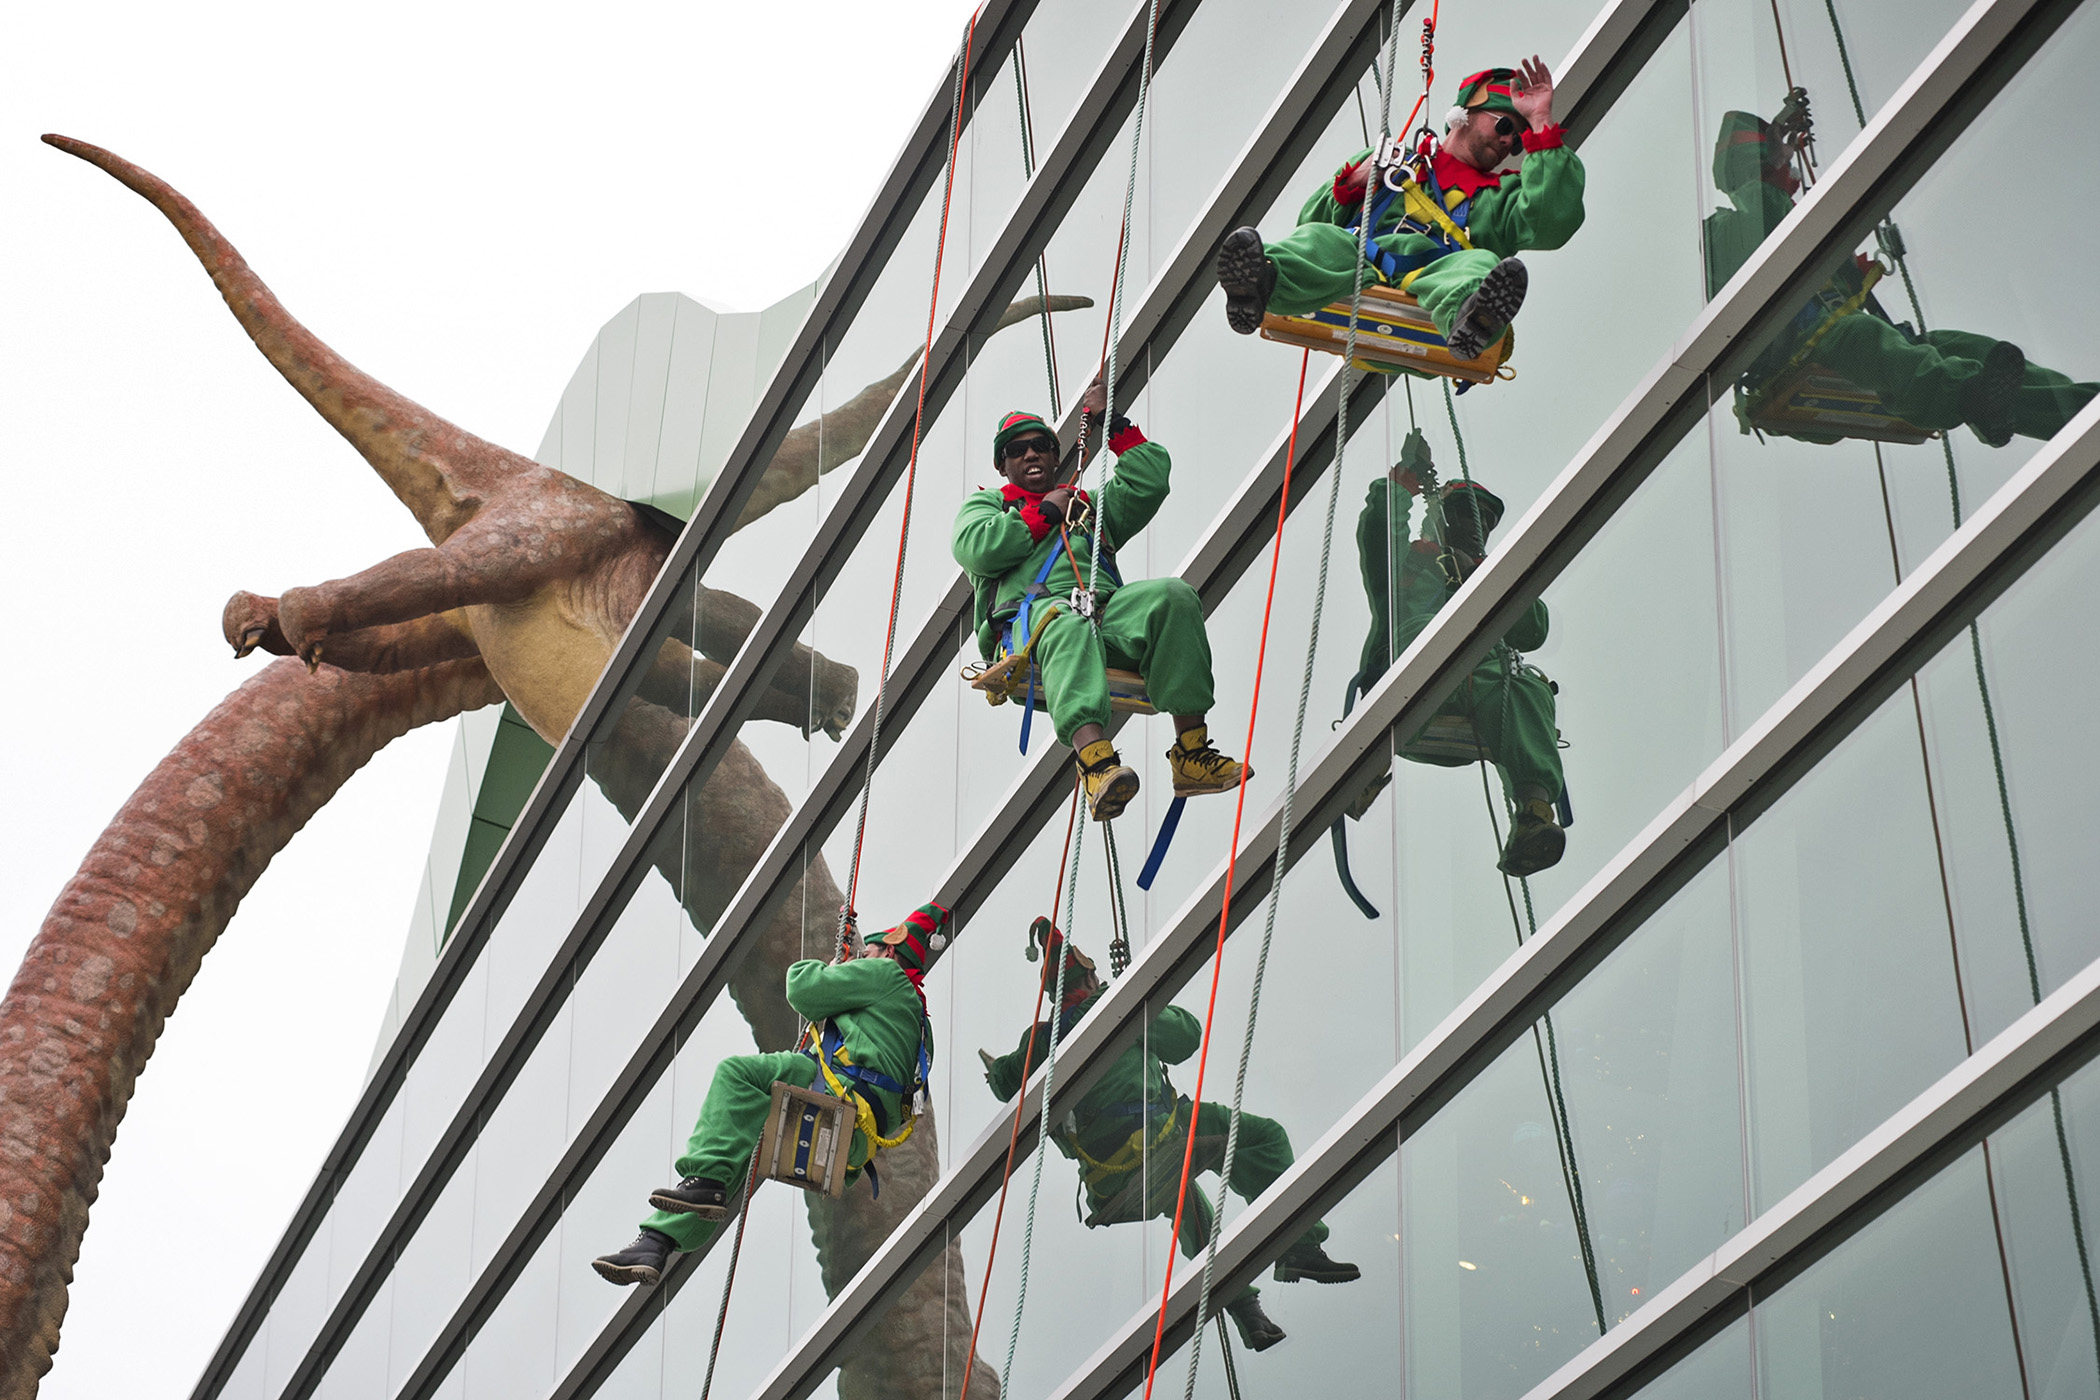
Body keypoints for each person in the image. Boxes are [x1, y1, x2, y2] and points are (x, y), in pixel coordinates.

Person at [979, 920, 1359, 1353]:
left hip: (1108, 1182)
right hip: (1159, 1135)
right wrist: (1137, 997)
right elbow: (1186, 1036)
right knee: (1265, 1138)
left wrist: (996, 1071)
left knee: (1186, 1202)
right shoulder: (1110, 1008)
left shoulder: (1040, 1042)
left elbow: (1004, 1082)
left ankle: (1246, 1312)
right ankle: (1299, 1244)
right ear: (1088, 977)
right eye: (1096, 976)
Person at [591, 902, 950, 1287]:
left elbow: (803, 988)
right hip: (854, 1140)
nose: (864, 958)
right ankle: (657, 1241)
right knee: (736, 1144)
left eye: (869, 953)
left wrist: (838, 968)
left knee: (737, 1075)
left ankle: (703, 1183)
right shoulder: (917, 1025)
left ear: (890, 952)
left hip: (838, 1093)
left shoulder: (886, 976)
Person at [1705, 94, 2095, 445]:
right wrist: (1778, 160)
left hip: (1835, 345)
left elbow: (1806, 248)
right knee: (1864, 335)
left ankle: (2079, 409)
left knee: (1958, 347)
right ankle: (1968, 395)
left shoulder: (1779, 220)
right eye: (1777, 163)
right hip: (1794, 355)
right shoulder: (1730, 226)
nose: (1788, 168)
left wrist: (1854, 268)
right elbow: (1767, 215)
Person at [952, 378, 1250, 822]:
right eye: (1017, 450)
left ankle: (1191, 752)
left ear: (1056, 456)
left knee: (1173, 596)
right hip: (1031, 631)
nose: (1030, 454)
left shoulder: (1087, 507)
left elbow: (1147, 484)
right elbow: (977, 547)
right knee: (1066, 619)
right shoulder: (990, 507)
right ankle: (1095, 761)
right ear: (1003, 466)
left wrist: (1115, 424)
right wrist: (1044, 514)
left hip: (1101, 620)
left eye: (1039, 445)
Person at [1215, 59, 1585, 361]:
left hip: (1436, 281)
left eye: (1518, 139)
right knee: (1324, 240)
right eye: (1505, 125)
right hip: (1362, 266)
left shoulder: (1502, 198)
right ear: (1465, 113)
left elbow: (1551, 221)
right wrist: (1347, 190)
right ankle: (1258, 284)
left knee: (1478, 265)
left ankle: (1473, 318)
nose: (1509, 141)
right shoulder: (1391, 163)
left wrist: (1541, 126)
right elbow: (1310, 227)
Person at [1350, 430, 1565, 876]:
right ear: (1439, 519)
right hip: (1408, 679)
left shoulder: (1497, 579)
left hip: (1480, 695)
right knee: (1469, 669)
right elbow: (1377, 530)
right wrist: (1401, 484)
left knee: (1529, 690)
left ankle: (1532, 816)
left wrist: (1487, 577)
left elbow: (1534, 629)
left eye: (1482, 519)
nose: (1474, 524)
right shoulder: (1408, 564)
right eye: (1463, 515)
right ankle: (1360, 772)